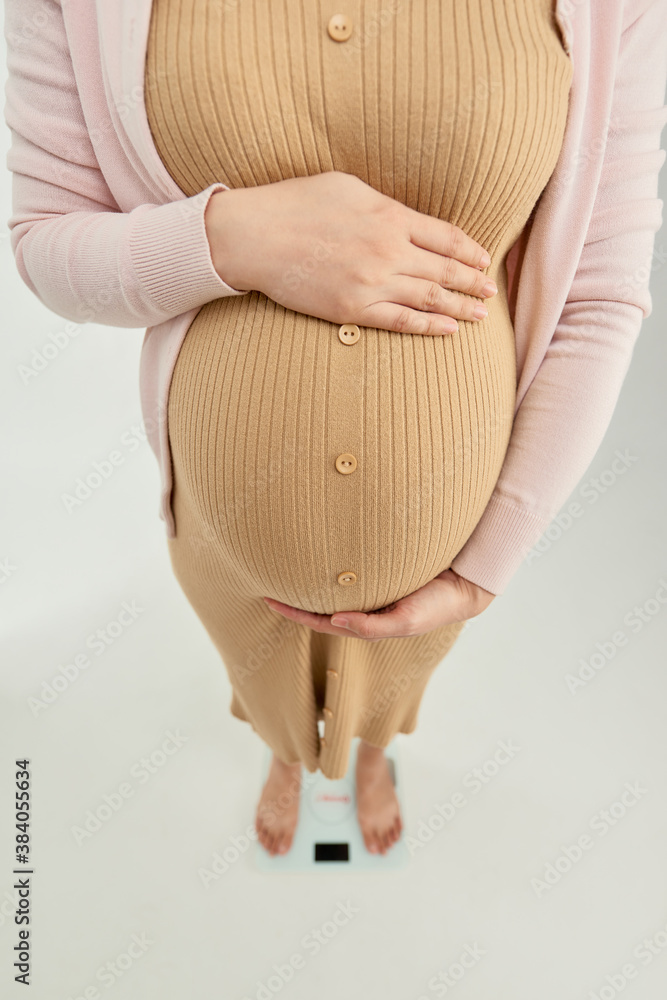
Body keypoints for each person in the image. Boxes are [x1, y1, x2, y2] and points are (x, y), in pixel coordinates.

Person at [5, 0, 666, 859]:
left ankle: (371, 755)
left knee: (395, 680)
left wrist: (486, 559)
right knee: (258, 669)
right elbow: (45, 241)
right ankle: (288, 753)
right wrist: (234, 237)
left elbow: (599, 291)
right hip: (223, 525)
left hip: (445, 535)